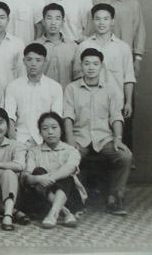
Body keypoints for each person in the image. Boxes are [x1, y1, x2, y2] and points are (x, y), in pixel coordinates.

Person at [64, 48, 132, 216]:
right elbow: (68, 116)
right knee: (69, 158)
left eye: (95, 64)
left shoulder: (111, 89)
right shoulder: (72, 89)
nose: (91, 68)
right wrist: (70, 140)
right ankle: (77, 198)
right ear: (81, 66)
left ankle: (114, 198)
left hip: (104, 137)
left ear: (101, 66)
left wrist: (118, 138)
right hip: (80, 137)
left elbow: (116, 116)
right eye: (87, 64)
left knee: (125, 157)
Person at [21, 112, 86, 229]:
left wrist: (50, 177)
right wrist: (39, 179)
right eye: (45, 128)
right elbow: (27, 177)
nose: (50, 132)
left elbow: (70, 167)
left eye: (54, 127)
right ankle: (63, 212)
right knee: (38, 171)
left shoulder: (71, 150)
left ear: (61, 130)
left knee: (66, 174)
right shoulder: (34, 151)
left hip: (70, 198)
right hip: (43, 198)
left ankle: (54, 213)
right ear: (40, 132)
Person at [73, 4, 135, 125]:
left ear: (112, 21)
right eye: (97, 19)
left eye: (106, 19)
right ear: (93, 21)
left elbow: (128, 78)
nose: (101, 23)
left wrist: (128, 103)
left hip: (117, 104)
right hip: (89, 105)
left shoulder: (123, 47)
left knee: (119, 135)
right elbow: (77, 76)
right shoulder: (84, 46)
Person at [92, 0, 145, 78]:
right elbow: (88, 31)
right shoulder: (93, 1)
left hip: (124, 58)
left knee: (125, 88)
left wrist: (137, 58)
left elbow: (139, 32)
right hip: (98, 58)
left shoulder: (132, 4)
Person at [4, 43, 63, 145]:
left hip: (45, 141)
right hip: (19, 139)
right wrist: (13, 142)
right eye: (29, 59)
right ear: (24, 61)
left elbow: (56, 118)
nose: (33, 64)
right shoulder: (13, 86)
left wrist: (44, 141)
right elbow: (10, 116)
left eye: (38, 60)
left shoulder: (55, 87)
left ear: (45, 61)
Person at [35, 3, 78, 89]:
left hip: (66, 94)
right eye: (49, 18)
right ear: (43, 22)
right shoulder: (35, 46)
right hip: (41, 93)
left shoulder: (73, 47)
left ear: (63, 22)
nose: (53, 23)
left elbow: (78, 75)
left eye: (57, 18)